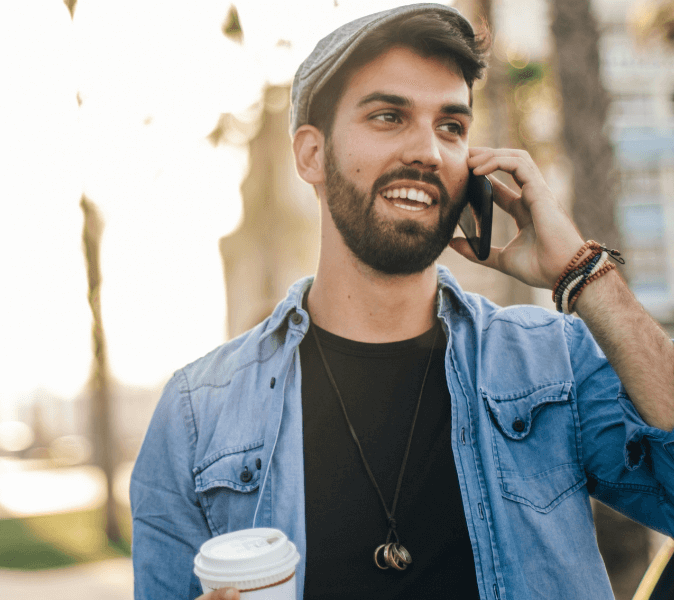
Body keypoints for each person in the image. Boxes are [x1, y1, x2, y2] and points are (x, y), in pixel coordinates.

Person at [130, 3, 674, 599]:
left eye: (451, 126)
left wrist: (583, 273)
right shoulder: (196, 417)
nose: (429, 151)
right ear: (311, 154)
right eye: (389, 116)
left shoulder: (551, 363)